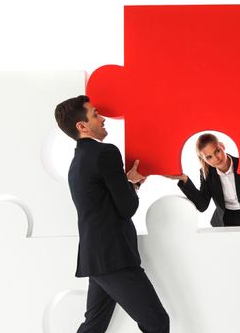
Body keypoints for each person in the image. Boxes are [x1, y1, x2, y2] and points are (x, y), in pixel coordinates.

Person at [54, 95, 169, 333]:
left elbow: (103, 203)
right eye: (95, 114)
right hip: (113, 257)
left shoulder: (77, 161)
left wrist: (128, 183)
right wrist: (132, 184)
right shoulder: (105, 153)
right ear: (82, 126)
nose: (103, 118)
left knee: (93, 326)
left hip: (95, 257)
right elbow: (127, 208)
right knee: (157, 323)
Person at [167, 133, 240, 316]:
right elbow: (202, 204)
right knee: (232, 276)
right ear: (203, 158)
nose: (216, 158)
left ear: (222, 146)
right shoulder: (207, 173)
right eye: (208, 156)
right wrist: (183, 179)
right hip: (227, 224)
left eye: (217, 151)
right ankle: (235, 319)